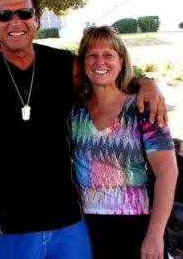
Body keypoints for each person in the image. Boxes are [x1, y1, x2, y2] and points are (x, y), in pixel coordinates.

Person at [0, 0, 166, 259]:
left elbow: (108, 79)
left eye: (24, 13)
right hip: (7, 226)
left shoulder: (65, 66)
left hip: (69, 223)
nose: (15, 22)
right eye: (4, 15)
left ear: (37, 19)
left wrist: (146, 82)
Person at [70, 25, 178, 259]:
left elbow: (167, 170)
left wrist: (155, 233)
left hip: (135, 225)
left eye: (108, 55)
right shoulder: (74, 111)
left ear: (120, 60)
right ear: (83, 62)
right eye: (92, 55)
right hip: (83, 227)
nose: (100, 62)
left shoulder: (142, 107)